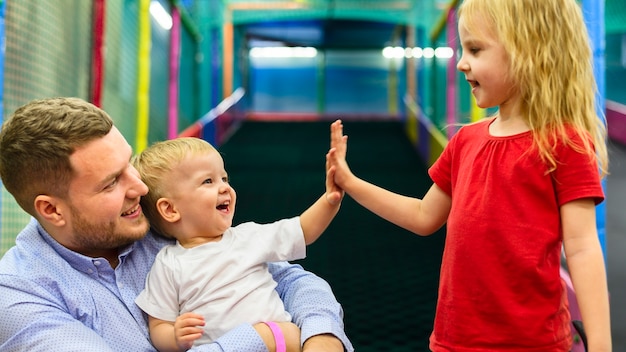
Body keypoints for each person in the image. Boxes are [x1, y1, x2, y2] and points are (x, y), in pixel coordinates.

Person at [326, 0, 611, 350]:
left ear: (530, 50)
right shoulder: (465, 141)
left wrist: (601, 344)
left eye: (475, 49)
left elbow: (582, 249)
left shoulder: (563, 144)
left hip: (533, 342)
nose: (461, 63)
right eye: (463, 49)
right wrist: (350, 181)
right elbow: (422, 215)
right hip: (455, 340)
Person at [0, 97, 354, 352]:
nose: (139, 188)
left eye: (129, 165)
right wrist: (262, 337)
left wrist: (321, 336)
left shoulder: (154, 221)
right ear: (52, 210)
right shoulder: (20, 296)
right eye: (111, 183)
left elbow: (289, 279)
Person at [132, 137, 343, 352]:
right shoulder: (169, 264)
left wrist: (329, 200)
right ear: (170, 210)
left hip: (281, 343)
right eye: (208, 181)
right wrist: (175, 337)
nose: (224, 187)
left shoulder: (248, 236)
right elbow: (159, 326)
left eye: (224, 178)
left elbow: (303, 230)